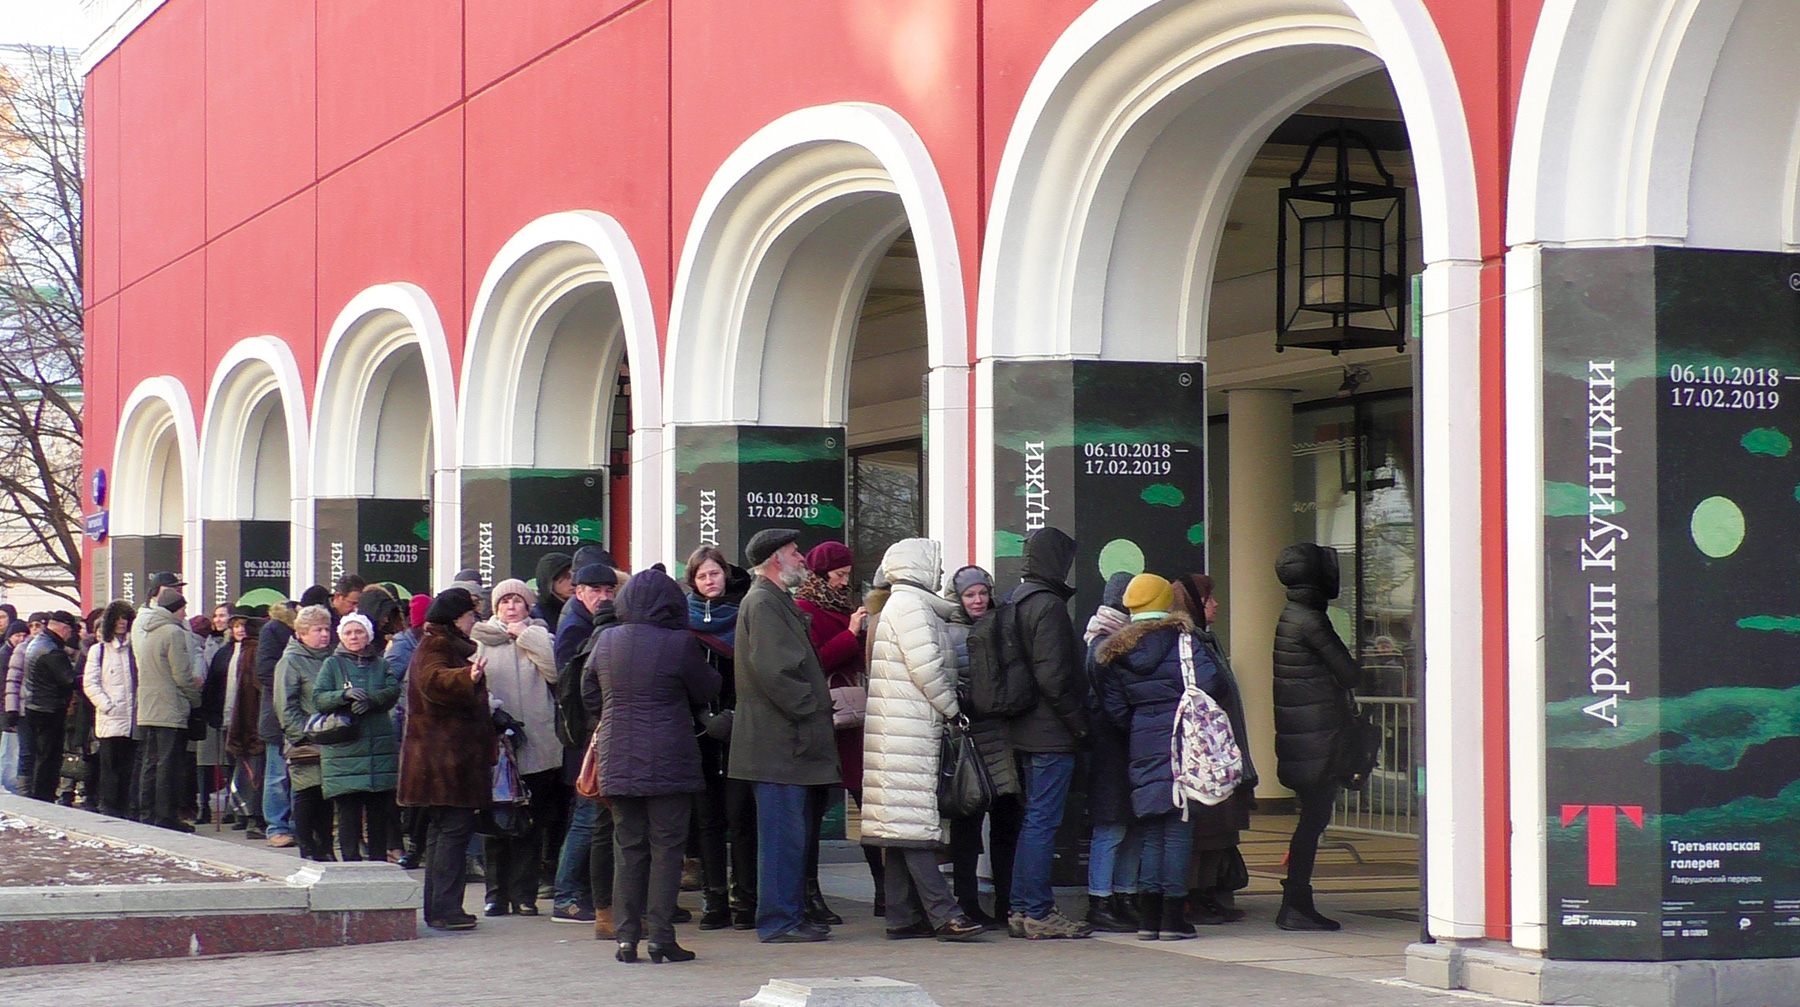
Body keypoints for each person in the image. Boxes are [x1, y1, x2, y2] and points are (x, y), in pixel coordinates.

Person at [586, 567, 720, 963]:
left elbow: (587, 691)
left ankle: (626, 939)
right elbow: (706, 688)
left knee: (627, 847)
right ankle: (662, 936)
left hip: (618, 756)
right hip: (670, 757)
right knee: (667, 849)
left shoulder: (607, 639)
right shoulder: (679, 643)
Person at [861, 539, 985, 942]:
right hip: (909, 731)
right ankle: (944, 913)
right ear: (920, 567)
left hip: (897, 730)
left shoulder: (898, 606)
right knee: (914, 827)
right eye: (937, 563)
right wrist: (953, 709)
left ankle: (901, 916)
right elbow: (927, 668)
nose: (941, 571)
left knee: (899, 827)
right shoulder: (912, 608)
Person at [730, 528, 840, 943]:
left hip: (784, 743)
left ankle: (788, 915)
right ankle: (779, 921)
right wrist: (813, 710)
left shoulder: (773, 601)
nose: (803, 559)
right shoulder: (763, 602)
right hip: (778, 744)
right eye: (796, 553)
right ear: (777, 559)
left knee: (789, 837)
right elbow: (778, 672)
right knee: (781, 839)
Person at [1095, 574, 1199, 941]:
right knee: (1178, 832)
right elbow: (1212, 683)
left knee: (1152, 832)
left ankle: (1148, 919)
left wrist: (1141, 726)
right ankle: (1173, 918)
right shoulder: (1184, 640)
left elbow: (1114, 708)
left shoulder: (1115, 651)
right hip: (1183, 745)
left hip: (1141, 746)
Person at [1004, 528, 1092, 939]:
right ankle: (1038, 910)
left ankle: (1023, 908)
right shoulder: (1049, 607)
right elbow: (1054, 677)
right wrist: (1079, 724)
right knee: (1042, 821)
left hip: (1023, 728)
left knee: (1031, 821)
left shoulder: (1016, 601)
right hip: (1051, 732)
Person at [1272, 543, 1361, 932]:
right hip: (1320, 737)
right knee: (1312, 821)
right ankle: (1295, 902)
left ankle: (1295, 900)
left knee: (1310, 819)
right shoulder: (1310, 620)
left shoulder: (1292, 615)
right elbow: (1349, 673)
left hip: (1306, 738)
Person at [792, 540, 881, 923]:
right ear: (822, 574)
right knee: (813, 815)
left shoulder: (840, 606)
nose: (845, 582)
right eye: (839, 574)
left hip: (853, 723)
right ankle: (810, 893)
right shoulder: (804, 609)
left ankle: (885, 891)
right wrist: (850, 633)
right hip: (827, 722)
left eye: (847, 574)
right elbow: (816, 662)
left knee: (871, 811)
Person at [399, 587, 494, 931]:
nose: (474, 621)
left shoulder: (439, 643)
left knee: (444, 834)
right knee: (451, 834)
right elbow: (431, 681)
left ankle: (441, 907)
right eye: (470, 616)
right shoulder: (437, 645)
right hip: (445, 762)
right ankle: (444, 909)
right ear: (456, 619)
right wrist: (466, 677)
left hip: (443, 761)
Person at [471, 578, 560, 916]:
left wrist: (527, 635)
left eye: (517, 601)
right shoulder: (480, 640)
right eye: (504, 601)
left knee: (529, 823)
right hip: (497, 744)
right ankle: (496, 893)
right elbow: (474, 684)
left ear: (527, 606)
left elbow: (555, 673)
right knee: (496, 823)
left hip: (537, 742)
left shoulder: (539, 636)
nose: (510, 607)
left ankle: (525, 894)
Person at [1171, 574, 1256, 924]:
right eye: (1209, 599)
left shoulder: (1207, 640)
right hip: (1203, 752)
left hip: (1219, 748)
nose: (1216, 605)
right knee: (1206, 826)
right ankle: (1195, 895)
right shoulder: (1189, 643)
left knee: (1218, 825)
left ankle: (1209, 893)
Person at [942, 564, 1022, 927]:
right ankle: (967, 899)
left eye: (981, 592)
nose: (977, 600)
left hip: (1001, 738)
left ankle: (1006, 898)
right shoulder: (951, 633)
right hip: (970, 739)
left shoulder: (1003, 625)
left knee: (1006, 824)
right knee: (967, 826)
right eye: (969, 594)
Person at [685, 546, 756, 931]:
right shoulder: (684, 621)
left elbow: (755, 670)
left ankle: (745, 898)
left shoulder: (746, 611)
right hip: (700, 735)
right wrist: (702, 716)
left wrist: (733, 713)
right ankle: (714, 900)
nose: (710, 581)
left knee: (741, 816)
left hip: (742, 729)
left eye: (715, 573)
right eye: (702, 576)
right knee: (708, 819)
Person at [551, 561, 620, 928]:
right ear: (578, 592)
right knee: (587, 815)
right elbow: (576, 687)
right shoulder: (577, 626)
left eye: (610, 591)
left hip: (591, 733)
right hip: (585, 736)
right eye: (596, 591)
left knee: (591, 814)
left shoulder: (592, 622)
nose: (604, 597)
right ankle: (567, 895)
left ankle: (582, 893)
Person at [313, 612, 402, 862]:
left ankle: (378, 863)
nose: (354, 637)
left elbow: (393, 690)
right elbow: (318, 698)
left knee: (378, 813)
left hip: (378, 750)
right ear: (341, 636)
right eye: (349, 633)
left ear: (368, 635)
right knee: (348, 813)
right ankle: (350, 865)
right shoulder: (332, 664)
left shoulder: (381, 663)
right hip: (344, 750)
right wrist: (344, 697)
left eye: (359, 632)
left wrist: (371, 700)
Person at [1081, 572, 1141, 933]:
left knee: (1128, 824)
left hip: (1117, 746)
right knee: (1113, 827)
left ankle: (1122, 896)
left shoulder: (1109, 638)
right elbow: (1108, 701)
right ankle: (1102, 899)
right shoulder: (1105, 643)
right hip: (1111, 747)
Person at [134, 588, 200, 832]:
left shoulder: (149, 632)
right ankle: (165, 816)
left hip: (148, 706)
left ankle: (146, 811)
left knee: (150, 762)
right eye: (183, 608)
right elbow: (181, 675)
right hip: (169, 707)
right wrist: (195, 699)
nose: (185, 613)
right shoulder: (174, 632)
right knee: (168, 764)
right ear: (174, 608)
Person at [277, 605, 337, 860]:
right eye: (317, 630)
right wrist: (301, 736)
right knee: (306, 794)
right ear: (302, 633)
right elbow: (284, 703)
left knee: (326, 796)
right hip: (304, 740)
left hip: (330, 738)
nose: (324, 634)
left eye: (327, 629)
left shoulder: (331, 657)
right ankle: (308, 849)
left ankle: (325, 847)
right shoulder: (291, 661)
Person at [84, 601, 138, 818]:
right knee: (110, 767)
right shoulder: (99, 651)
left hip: (134, 719)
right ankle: (110, 807)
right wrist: (107, 706)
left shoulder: (135, 649)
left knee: (129, 768)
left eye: (125, 618)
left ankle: (127, 807)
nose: (121, 623)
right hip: (111, 718)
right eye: (117, 618)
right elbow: (90, 683)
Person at [22, 611, 82, 801]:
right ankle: (43, 797)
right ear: (64, 628)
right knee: (49, 759)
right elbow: (69, 679)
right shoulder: (52, 650)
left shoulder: (37, 643)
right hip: (49, 709)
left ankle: (38, 794)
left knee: (39, 756)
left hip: (35, 705)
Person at [219, 605, 266, 837]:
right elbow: (257, 686)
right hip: (252, 721)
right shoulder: (254, 651)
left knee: (247, 769)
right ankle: (253, 818)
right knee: (254, 771)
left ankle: (245, 814)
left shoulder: (245, 651)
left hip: (243, 721)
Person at [256, 603, 299, 848]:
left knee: (297, 774)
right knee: (278, 775)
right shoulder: (274, 630)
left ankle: (294, 825)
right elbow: (263, 671)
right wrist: (292, 684)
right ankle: (277, 826)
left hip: (296, 716)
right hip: (277, 716)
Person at [0, 618, 31, 794]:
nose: (21, 638)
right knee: (11, 751)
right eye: (17, 635)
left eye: (23, 635)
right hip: (9, 709)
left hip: (11, 708)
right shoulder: (6, 655)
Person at [531, 552, 574, 628]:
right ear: (550, 582)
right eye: (566, 577)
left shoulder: (582, 609)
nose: (572, 582)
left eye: (574, 576)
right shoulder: (536, 615)